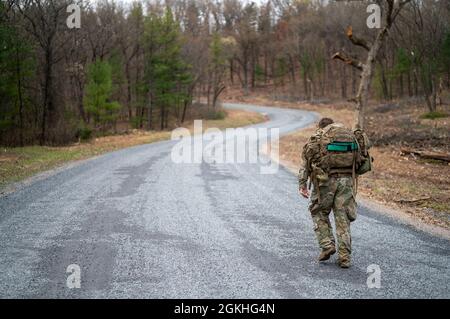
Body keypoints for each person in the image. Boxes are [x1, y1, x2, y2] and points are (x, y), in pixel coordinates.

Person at [298, 117, 359, 269]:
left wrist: (302, 184)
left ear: (320, 127)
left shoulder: (318, 138)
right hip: (346, 181)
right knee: (342, 217)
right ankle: (345, 257)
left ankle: (327, 245)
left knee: (318, 211)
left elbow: (305, 164)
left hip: (324, 182)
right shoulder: (348, 135)